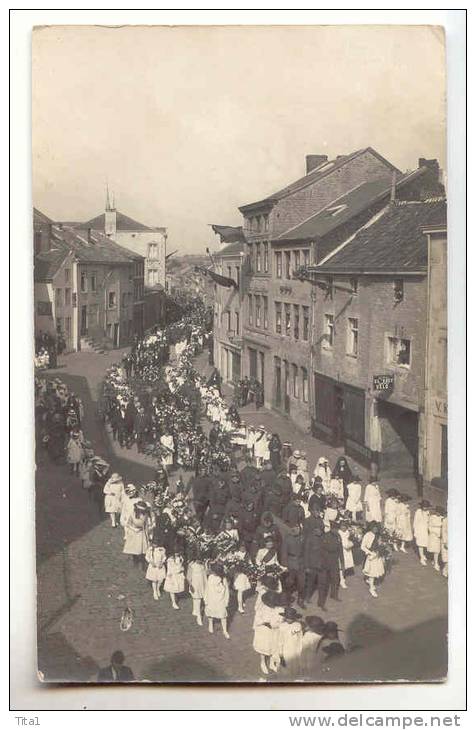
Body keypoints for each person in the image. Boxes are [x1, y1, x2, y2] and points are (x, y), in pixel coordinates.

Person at [253, 590, 285, 675]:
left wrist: (275, 624)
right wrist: (264, 622)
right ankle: (263, 662)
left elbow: (281, 620)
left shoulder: (280, 609)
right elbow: (257, 621)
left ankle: (271, 663)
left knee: (273, 646)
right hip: (263, 631)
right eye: (269, 603)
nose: (271, 605)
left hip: (275, 631)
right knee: (264, 647)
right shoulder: (261, 609)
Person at [281, 524, 306, 609]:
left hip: (301, 563)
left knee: (302, 583)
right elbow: (284, 553)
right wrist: (285, 565)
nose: (297, 529)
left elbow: (306, 551)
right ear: (292, 528)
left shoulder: (303, 537)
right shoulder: (287, 539)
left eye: (298, 528)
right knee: (289, 583)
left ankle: (300, 600)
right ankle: (287, 600)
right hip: (291, 563)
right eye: (295, 528)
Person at [204, 563, 230, 638]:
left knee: (223, 615)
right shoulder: (210, 577)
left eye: (213, 571)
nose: (212, 572)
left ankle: (225, 630)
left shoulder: (223, 579)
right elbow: (207, 589)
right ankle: (210, 624)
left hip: (220, 600)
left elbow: (226, 591)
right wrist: (206, 599)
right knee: (210, 612)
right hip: (211, 599)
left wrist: (226, 601)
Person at [361, 522, 385, 598]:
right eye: (374, 527)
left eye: (376, 527)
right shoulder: (367, 535)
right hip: (371, 556)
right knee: (372, 573)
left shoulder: (378, 535)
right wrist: (370, 553)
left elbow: (380, 544)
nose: (375, 529)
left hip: (377, 556)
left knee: (376, 571)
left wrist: (380, 550)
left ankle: (371, 583)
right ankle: (371, 588)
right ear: (371, 528)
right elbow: (362, 547)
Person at [278, 606, 303, 677]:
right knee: (286, 669)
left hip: (295, 650)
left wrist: (300, 651)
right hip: (286, 650)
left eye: (291, 618)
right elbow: (280, 641)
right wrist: (281, 655)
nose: (289, 620)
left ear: (294, 618)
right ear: (285, 617)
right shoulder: (282, 626)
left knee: (295, 667)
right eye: (288, 618)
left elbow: (300, 639)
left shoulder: (298, 625)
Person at [123, 501, 149, 568]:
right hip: (134, 532)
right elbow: (127, 524)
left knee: (142, 549)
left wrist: (147, 533)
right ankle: (135, 561)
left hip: (141, 532)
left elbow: (146, 524)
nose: (142, 512)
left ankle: (142, 563)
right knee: (134, 548)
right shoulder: (132, 514)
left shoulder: (145, 515)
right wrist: (134, 529)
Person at [186, 551, 208, 625]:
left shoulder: (203, 565)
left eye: (201, 559)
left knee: (199, 599)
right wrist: (190, 585)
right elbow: (188, 577)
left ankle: (195, 611)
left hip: (202, 584)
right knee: (197, 599)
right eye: (198, 559)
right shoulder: (192, 566)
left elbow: (205, 575)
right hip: (195, 584)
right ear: (195, 559)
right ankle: (199, 617)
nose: (200, 561)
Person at [337, 521, 355, 588]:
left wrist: (351, 543)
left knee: (346, 565)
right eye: (342, 526)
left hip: (347, 550)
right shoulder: (338, 533)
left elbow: (350, 540)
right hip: (341, 551)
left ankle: (342, 578)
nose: (344, 527)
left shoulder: (348, 532)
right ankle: (341, 580)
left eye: (345, 526)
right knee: (341, 565)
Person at [413, 500, 431, 566]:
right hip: (419, 529)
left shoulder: (428, 512)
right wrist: (415, 530)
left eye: (426, 507)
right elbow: (415, 521)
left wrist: (429, 528)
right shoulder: (418, 512)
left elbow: (428, 521)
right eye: (424, 506)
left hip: (425, 529)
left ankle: (423, 555)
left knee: (425, 543)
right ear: (421, 506)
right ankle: (421, 558)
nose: (425, 508)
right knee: (420, 544)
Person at [428, 506, 443, 572]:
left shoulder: (442, 518)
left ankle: (434, 560)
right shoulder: (432, 517)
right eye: (437, 512)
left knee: (439, 549)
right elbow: (429, 527)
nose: (438, 513)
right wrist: (435, 533)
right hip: (434, 535)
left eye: (440, 512)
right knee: (436, 550)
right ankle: (436, 563)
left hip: (441, 534)